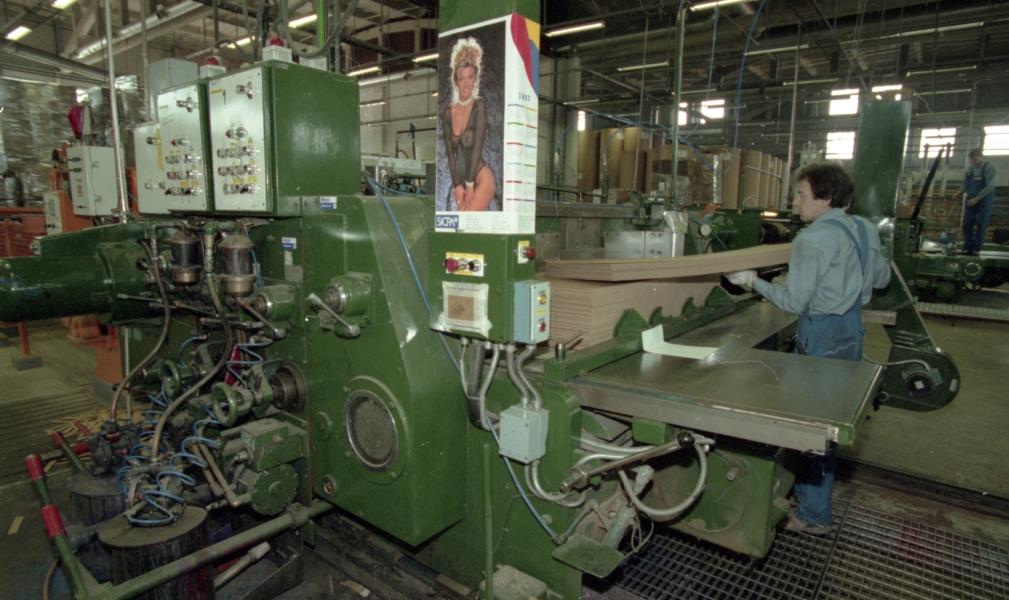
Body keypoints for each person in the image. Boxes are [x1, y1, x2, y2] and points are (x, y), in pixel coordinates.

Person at [727, 163, 891, 535]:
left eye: (801, 195)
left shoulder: (811, 239)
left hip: (821, 334)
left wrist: (753, 282)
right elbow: (881, 278)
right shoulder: (863, 228)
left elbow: (794, 302)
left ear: (826, 198)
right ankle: (804, 493)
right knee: (829, 418)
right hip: (850, 329)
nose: (795, 202)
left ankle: (814, 515)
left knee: (813, 428)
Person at [442, 37, 496, 211]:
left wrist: (470, 183)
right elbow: (450, 154)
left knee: (467, 218)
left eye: (470, 77)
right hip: (462, 183)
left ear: (475, 79)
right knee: (463, 223)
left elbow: (478, 145)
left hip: (480, 177)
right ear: (455, 81)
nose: (466, 84)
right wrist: (457, 186)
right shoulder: (448, 113)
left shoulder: (479, 106)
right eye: (461, 78)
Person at [960, 149, 996, 256]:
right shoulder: (969, 169)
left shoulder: (988, 167)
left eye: (976, 159)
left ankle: (976, 248)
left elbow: (990, 186)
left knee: (982, 223)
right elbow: (966, 184)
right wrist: (959, 192)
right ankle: (967, 247)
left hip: (985, 199)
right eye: (972, 160)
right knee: (967, 222)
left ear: (981, 157)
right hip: (971, 198)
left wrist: (977, 198)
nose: (974, 162)